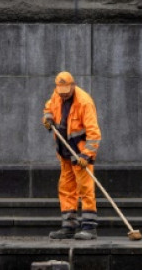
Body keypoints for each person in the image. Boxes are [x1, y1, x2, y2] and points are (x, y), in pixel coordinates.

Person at [41, 71, 102, 240]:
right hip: (65, 152)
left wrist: (87, 155)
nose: (64, 95)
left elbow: (94, 133)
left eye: (66, 92)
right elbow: (48, 108)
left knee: (85, 189)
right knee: (66, 189)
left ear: (73, 85)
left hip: (80, 154)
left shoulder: (84, 102)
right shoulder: (57, 95)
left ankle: (89, 228)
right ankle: (69, 226)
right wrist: (48, 119)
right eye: (61, 92)